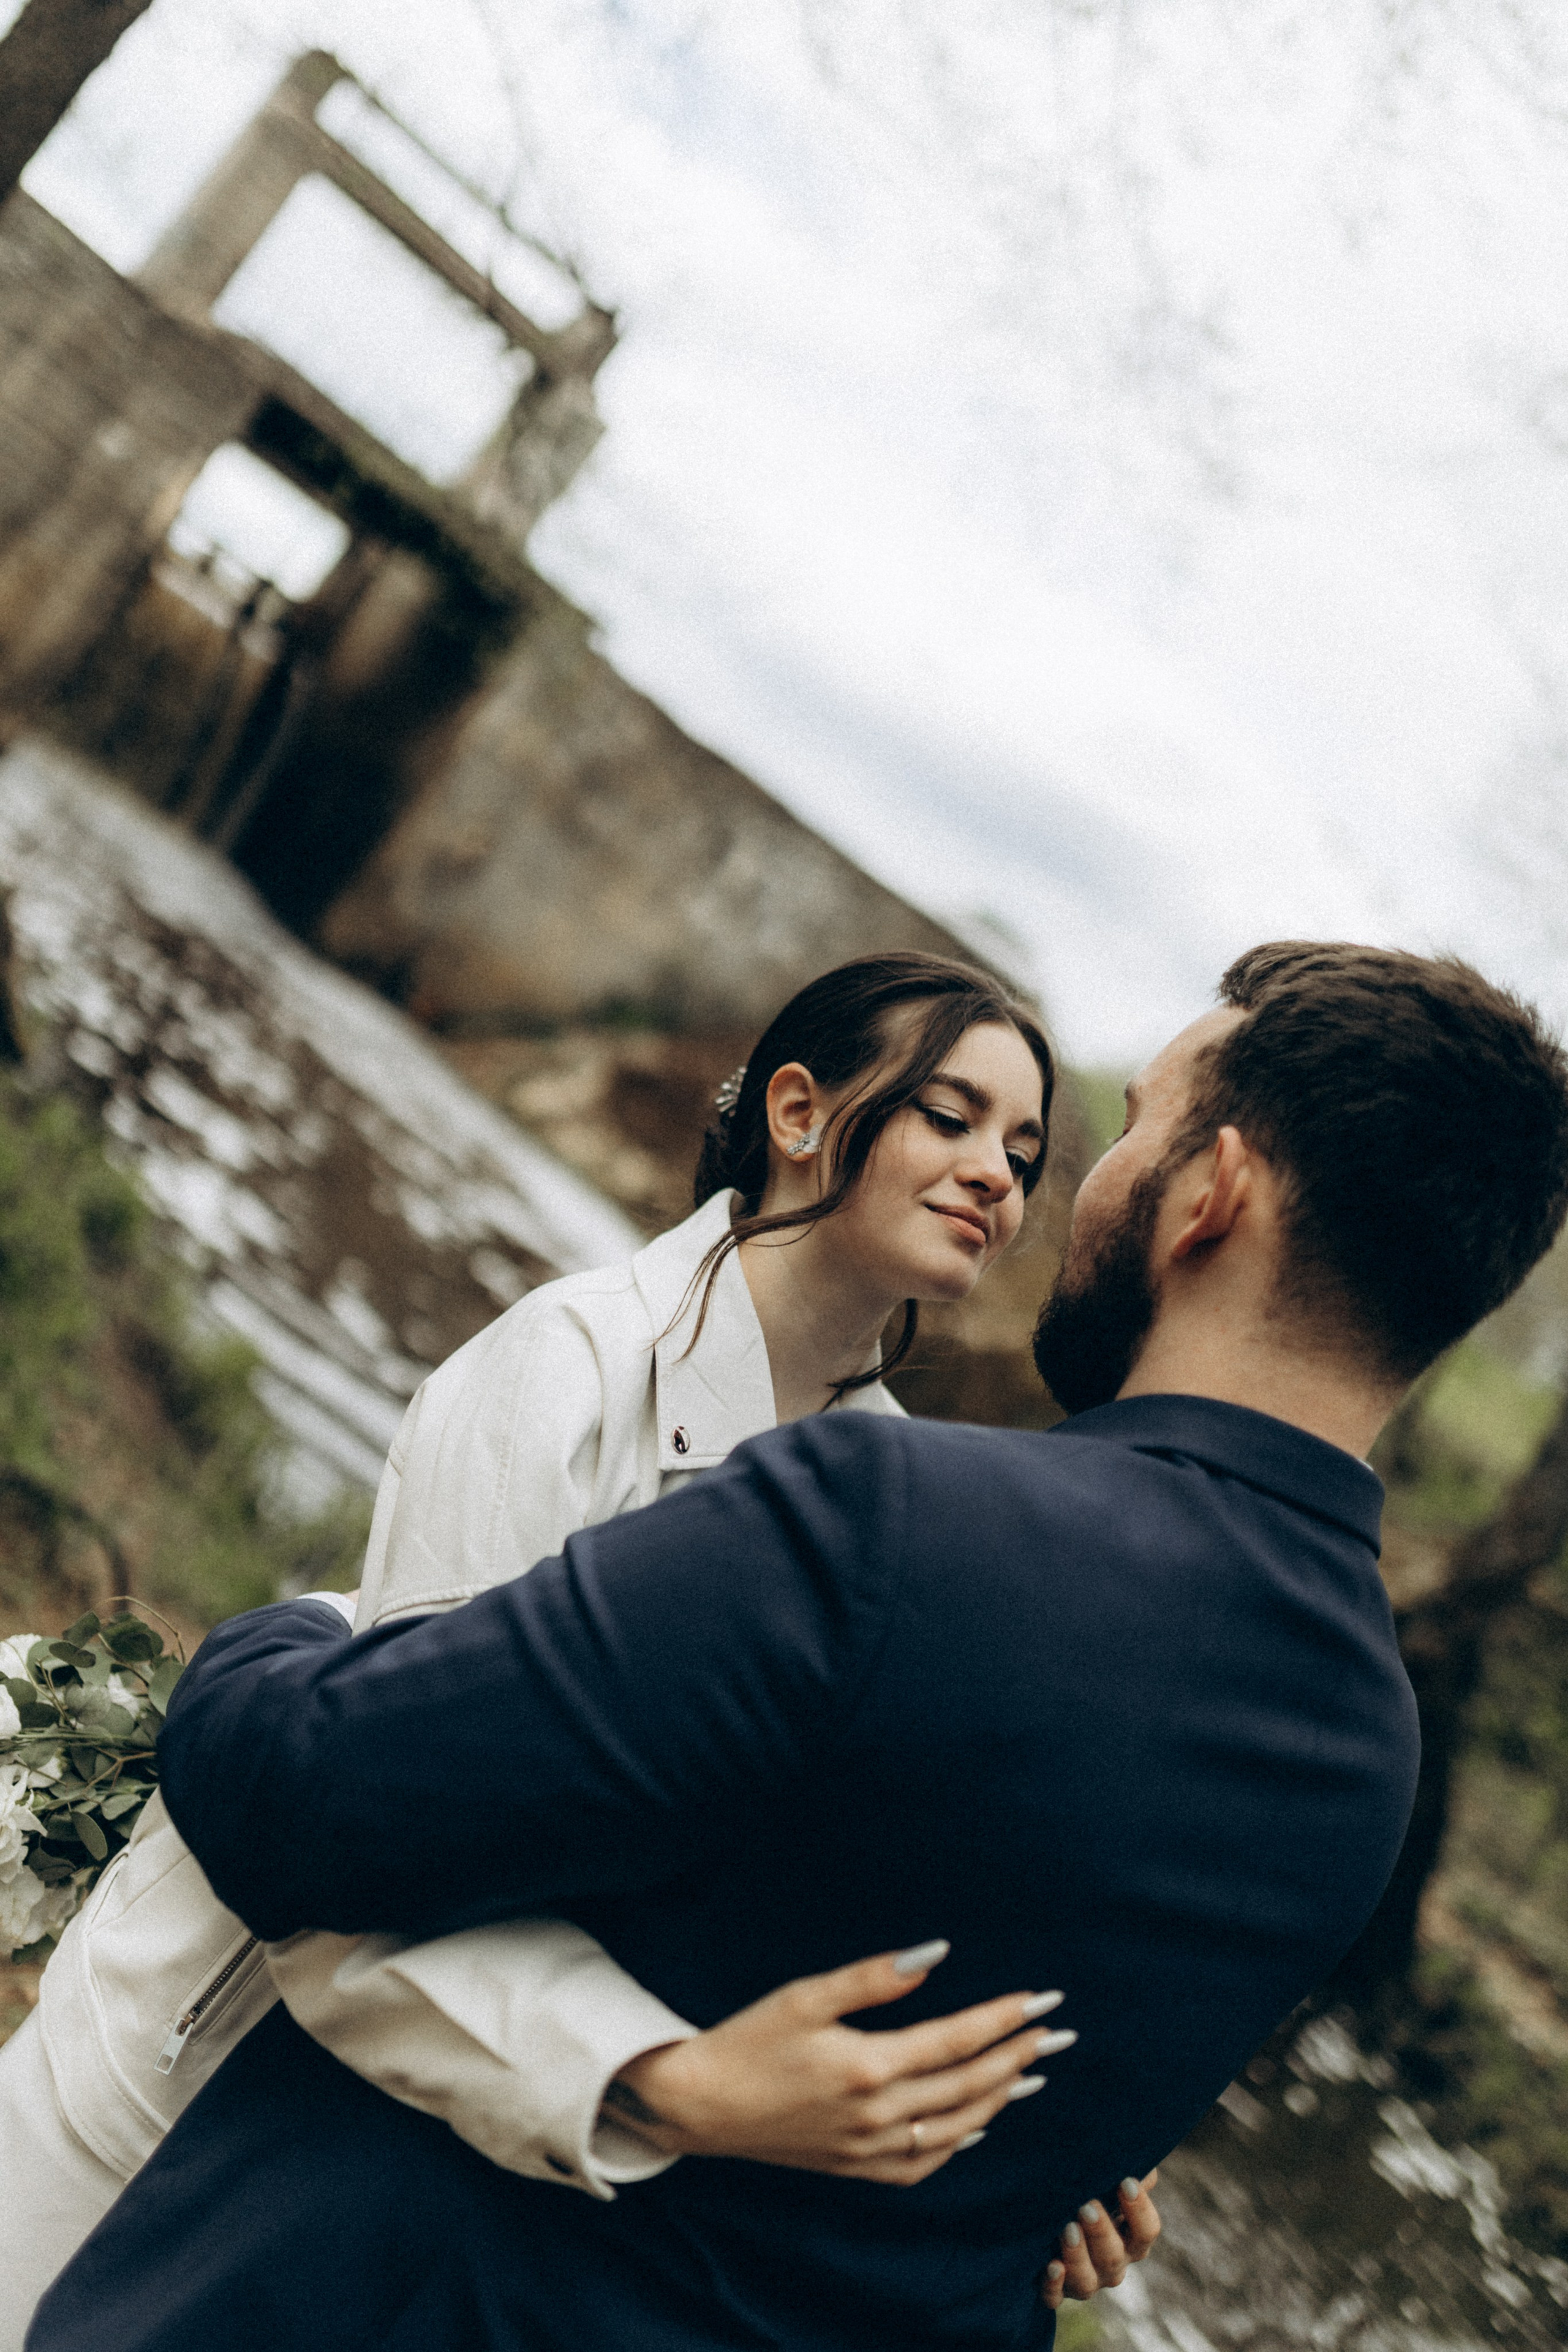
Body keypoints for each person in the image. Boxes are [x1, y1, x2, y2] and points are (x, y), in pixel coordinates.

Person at [33, 941, 1568, 2352]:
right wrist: (1028, 2187)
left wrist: (293, 1634)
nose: (1056, 1186)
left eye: (1115, 1131)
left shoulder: (885, 1515)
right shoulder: (1368, 1769)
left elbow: (315, 1800)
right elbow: (997, 2073)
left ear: (1211, 1192)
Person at [0, 952, 1147, 2342]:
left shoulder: (904, 1522)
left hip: (475, 2201)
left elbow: (823, 1902)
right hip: (188, 2076)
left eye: (1022, 1152)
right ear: (797, 1112)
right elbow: (373, 1833)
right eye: (948, 1118)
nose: (995, 1177)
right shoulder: (566, 1363)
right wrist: (666, 2081)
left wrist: (1008, 2164)